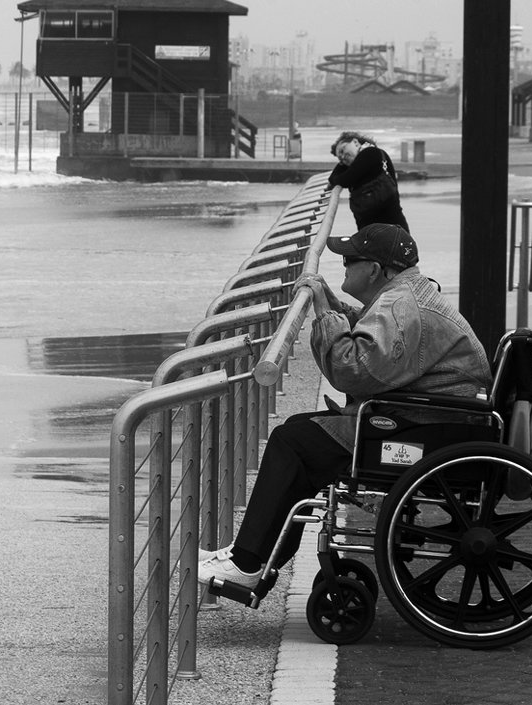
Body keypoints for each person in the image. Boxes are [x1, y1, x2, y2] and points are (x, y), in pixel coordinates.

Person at [198, 223, 491, 588]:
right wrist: (333, 305)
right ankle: (253, 559)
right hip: (428, 420)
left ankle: (247, 563)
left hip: (420, 429)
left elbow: (352, 370)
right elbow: (376, 337)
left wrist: (324, 312)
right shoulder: (406, 293)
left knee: (293, 443)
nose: (343, 264)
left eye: (350, 259)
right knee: (297, 434)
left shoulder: (401, 304)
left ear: (374, 269)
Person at [326, 131, 410, 232]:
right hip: (390, 229)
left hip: (388, 230)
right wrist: (343, 163)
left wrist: (341, 166)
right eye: (340, 158)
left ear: (355, 142)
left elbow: (344, 180)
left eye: (343, 150)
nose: (343, 157)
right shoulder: (377, 155)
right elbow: (334, 178)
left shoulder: (370, 153)